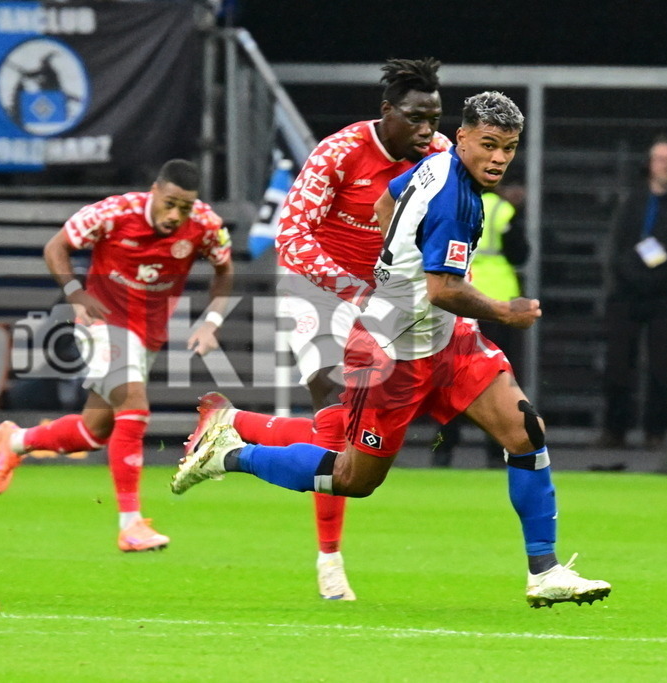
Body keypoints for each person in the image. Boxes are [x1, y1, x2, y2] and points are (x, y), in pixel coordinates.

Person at [172, 91, 612, 609]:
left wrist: (391, 263)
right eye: (489, 145)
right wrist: (504, 311)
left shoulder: (436, 165)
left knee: (525, 431)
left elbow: (387, 200)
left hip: (448, 339)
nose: (498, 158)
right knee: (352, 479)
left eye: (509, 149)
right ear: (464, 136)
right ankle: (231, 454)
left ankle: (545, 571)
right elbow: (442, 289)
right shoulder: (455, 199)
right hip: (391, 352)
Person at [187, 58, 450, 600]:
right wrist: (349, 287)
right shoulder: (339, 152)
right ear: (387, 113)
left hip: (385, 296)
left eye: (435, 118)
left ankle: (233, 423)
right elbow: (291, 235)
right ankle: (330, 564)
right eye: (416, 118)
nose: (427, 130)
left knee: (361, 444)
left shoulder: (439, 157)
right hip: (316, 289)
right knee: (334, 420)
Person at [0, 159, 233, 551]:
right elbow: (57, 247)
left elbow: (224, 272)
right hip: (102, 322)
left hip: (147, 334)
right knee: (135, 406)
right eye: (169, 203)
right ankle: (130, 524)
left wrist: (212, 321)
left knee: (94, 432)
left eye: (185, 208)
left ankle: (16, 441)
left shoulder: (206, 225)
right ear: (154, 191)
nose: (175, 215)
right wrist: (75, 294)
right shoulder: (114, 212)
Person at [598, 136, 667, 451]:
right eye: (660, 159)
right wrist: (613, 286)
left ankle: (655, 431)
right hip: (627, 295)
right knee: (618, 365)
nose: (665, 166)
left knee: (661, 368)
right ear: (649, 164)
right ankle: (615, 430)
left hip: (663, 297)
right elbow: (613, 242)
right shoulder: (632, 201)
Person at [431, 184, 529, 468]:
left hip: (460, 301)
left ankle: (444, 448)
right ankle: (498, 450)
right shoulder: (502, 211)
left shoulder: (453, 205)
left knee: (454, 375)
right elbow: (520, 254)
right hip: (499, 303)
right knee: (498, 377)